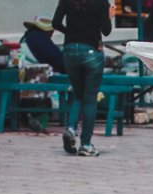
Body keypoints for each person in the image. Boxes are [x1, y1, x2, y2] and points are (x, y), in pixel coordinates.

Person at [52, 0, 110, 156]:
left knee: (78, 94)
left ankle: (70, 128)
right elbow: (106, 30)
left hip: (70, 50)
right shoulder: (101, 2)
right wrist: (109, 15)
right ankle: (86, 144)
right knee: (90, 98)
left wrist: (71, 33)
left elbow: (55, 23)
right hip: (91, 50)